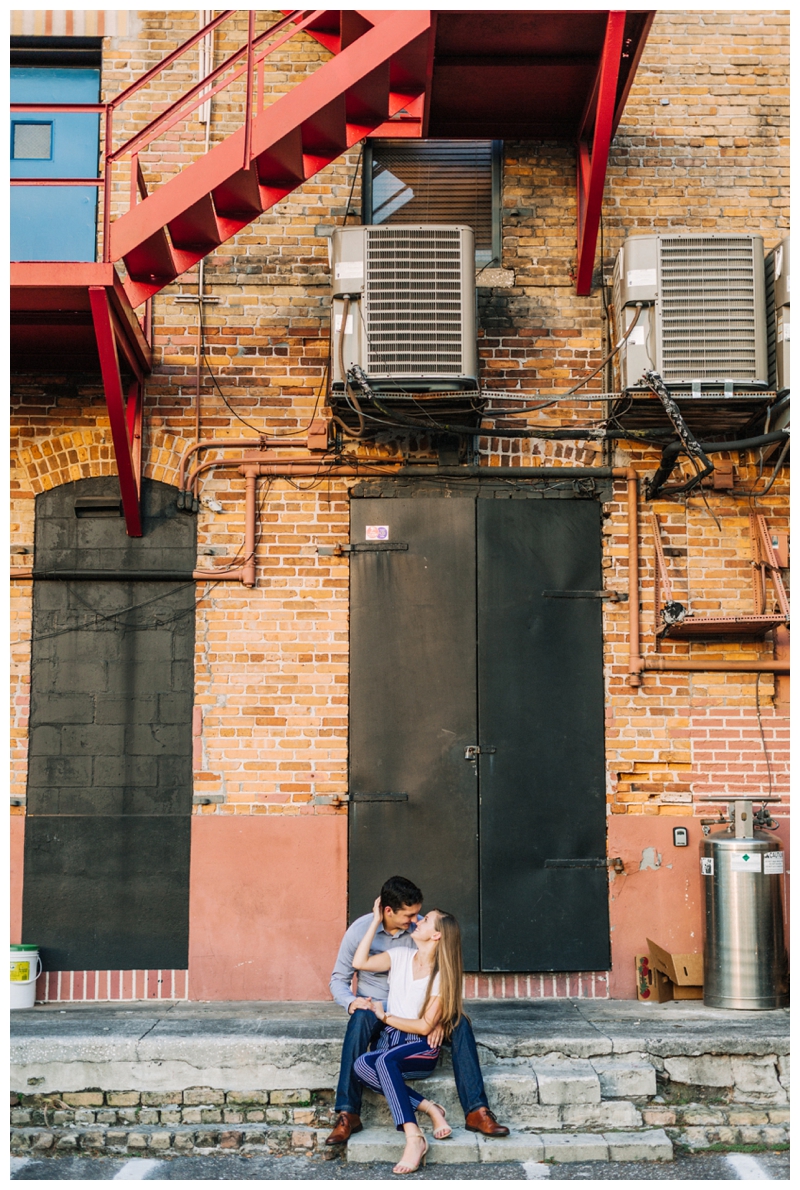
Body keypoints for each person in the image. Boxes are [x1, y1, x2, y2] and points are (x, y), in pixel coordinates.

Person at [326, 875, 509, 1148]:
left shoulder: (420, 933)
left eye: (418, 915)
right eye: (409, 915)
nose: (415, 920)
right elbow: (339, 978)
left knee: (460, 1022)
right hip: (376, 1009)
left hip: (419, 1011)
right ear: (388, 911)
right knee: (359, 1017)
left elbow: (442, 974)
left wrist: (436, 1019)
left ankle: (476, 1110)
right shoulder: (361, 930)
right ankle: (348, 1112)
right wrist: (351, 1002)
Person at [352, 897, 460, 1174]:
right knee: (361, 1064)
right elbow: (359, 961)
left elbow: (425, 1027)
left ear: (436, 935)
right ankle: (430, 1108)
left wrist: (385, 1017)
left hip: (420, 1047)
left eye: (425, 920)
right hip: (392, 1042)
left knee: (384, 1062)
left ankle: (413, 1138)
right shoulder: (399, 955)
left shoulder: (440, 976)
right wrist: (376, 919)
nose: (417, 920)